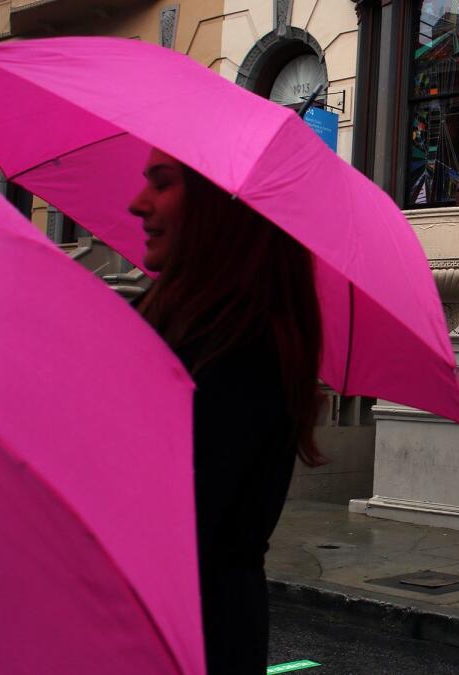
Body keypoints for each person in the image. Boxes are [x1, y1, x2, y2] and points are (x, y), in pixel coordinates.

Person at [130, 148, 323, 673]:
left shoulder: (236, 353)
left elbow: (159, 533)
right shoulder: (192, 332)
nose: (136, 202)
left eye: (162, 182)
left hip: (183, 641)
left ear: (221, 206)